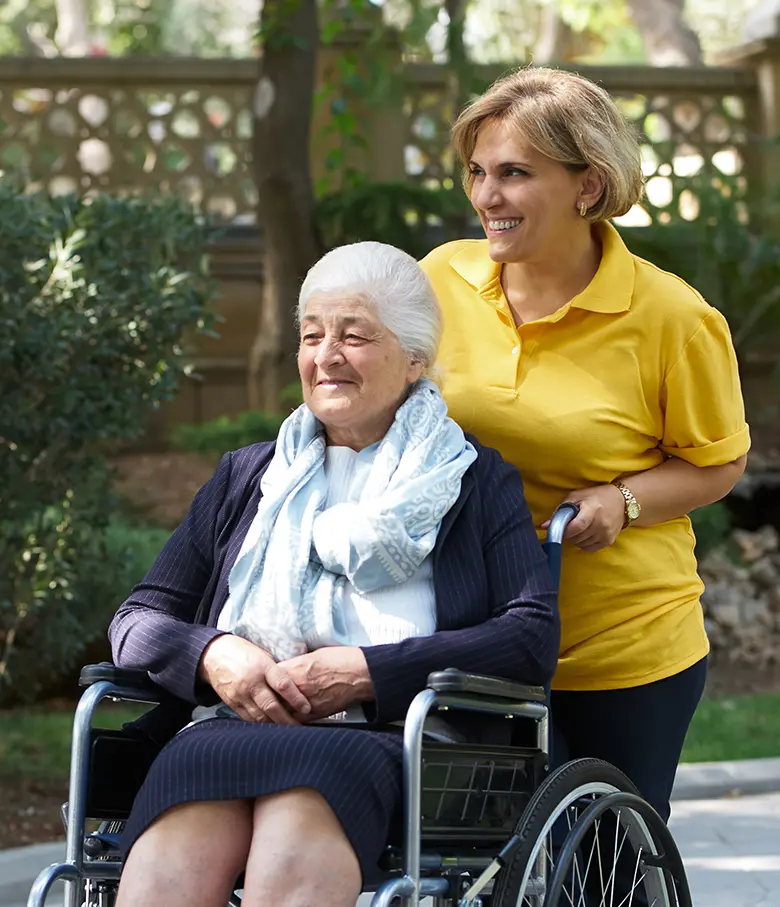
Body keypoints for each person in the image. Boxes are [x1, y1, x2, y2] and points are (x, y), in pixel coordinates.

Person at [108, 241, 558, 907]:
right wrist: (214, 653)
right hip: (237, 724)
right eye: (312, 335)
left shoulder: (471, 478)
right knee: (179, 837)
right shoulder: (248, 476)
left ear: (414, 358)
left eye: (355, 335)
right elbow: (135, 621)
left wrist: (368, 672)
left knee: (295, 819)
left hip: (395, 736)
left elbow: (530, 635)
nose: (327, 355)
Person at [420, 66, 750, 827]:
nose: (486, 196)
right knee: (472, 857)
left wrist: (623, 499)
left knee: (604, 857)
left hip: (619, 648)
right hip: (474, 636)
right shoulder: (440, 279)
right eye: (477, 171)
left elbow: (718, 462)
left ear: (588, 186)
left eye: (514, 173)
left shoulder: (673, 318)